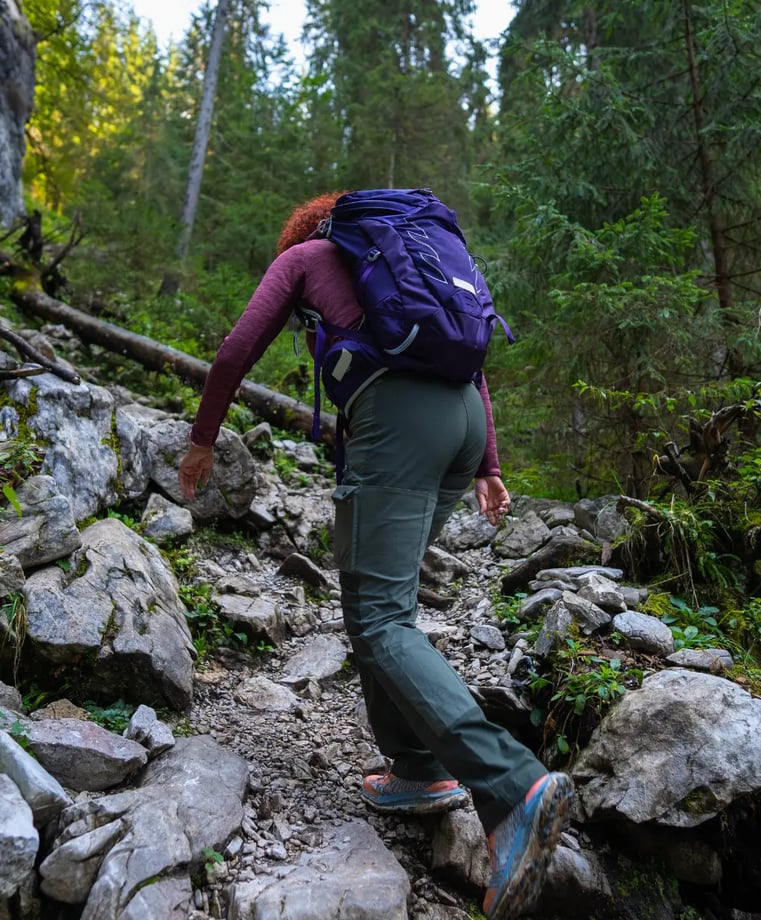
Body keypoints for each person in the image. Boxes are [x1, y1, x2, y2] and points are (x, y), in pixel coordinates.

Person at [178, 192, 573, 920]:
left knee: (382, 618)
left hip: (400, 423)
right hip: (458, 422)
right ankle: (418, 771)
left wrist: (202, 439)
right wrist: (487, 462)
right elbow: (469, 362)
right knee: (377, 608)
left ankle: (511, 783)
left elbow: (236, 349)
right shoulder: (402, 268)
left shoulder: (304, 259)